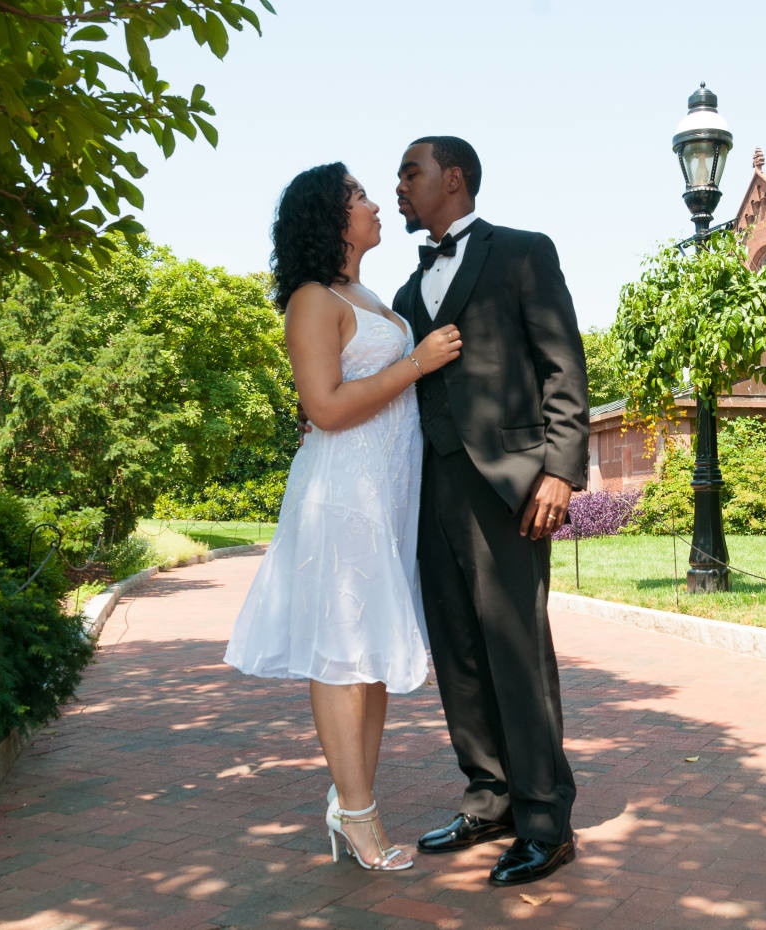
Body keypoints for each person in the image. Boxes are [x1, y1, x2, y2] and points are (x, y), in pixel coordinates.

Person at [224, 162, 462, 872]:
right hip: (344, 495)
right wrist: (416, 363)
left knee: (374, 659)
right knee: (341, 653)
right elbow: (323, 408)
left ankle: (348, 798)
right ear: (332, 217)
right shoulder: (311, 299)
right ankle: (358, 816)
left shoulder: (365, 294)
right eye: (359, 196)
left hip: (385, 496)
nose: (375, 204)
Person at [390, 136, 590, 886]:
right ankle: (489, 797)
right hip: (429, 489)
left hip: (510, 485)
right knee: (458, 651)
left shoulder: (522, 253)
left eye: (409, 172)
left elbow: (562, 364)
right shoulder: (407, 294)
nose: (400, 185)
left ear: (454, 178)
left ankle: (545, 820)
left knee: (514, 651)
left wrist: (560, 472)